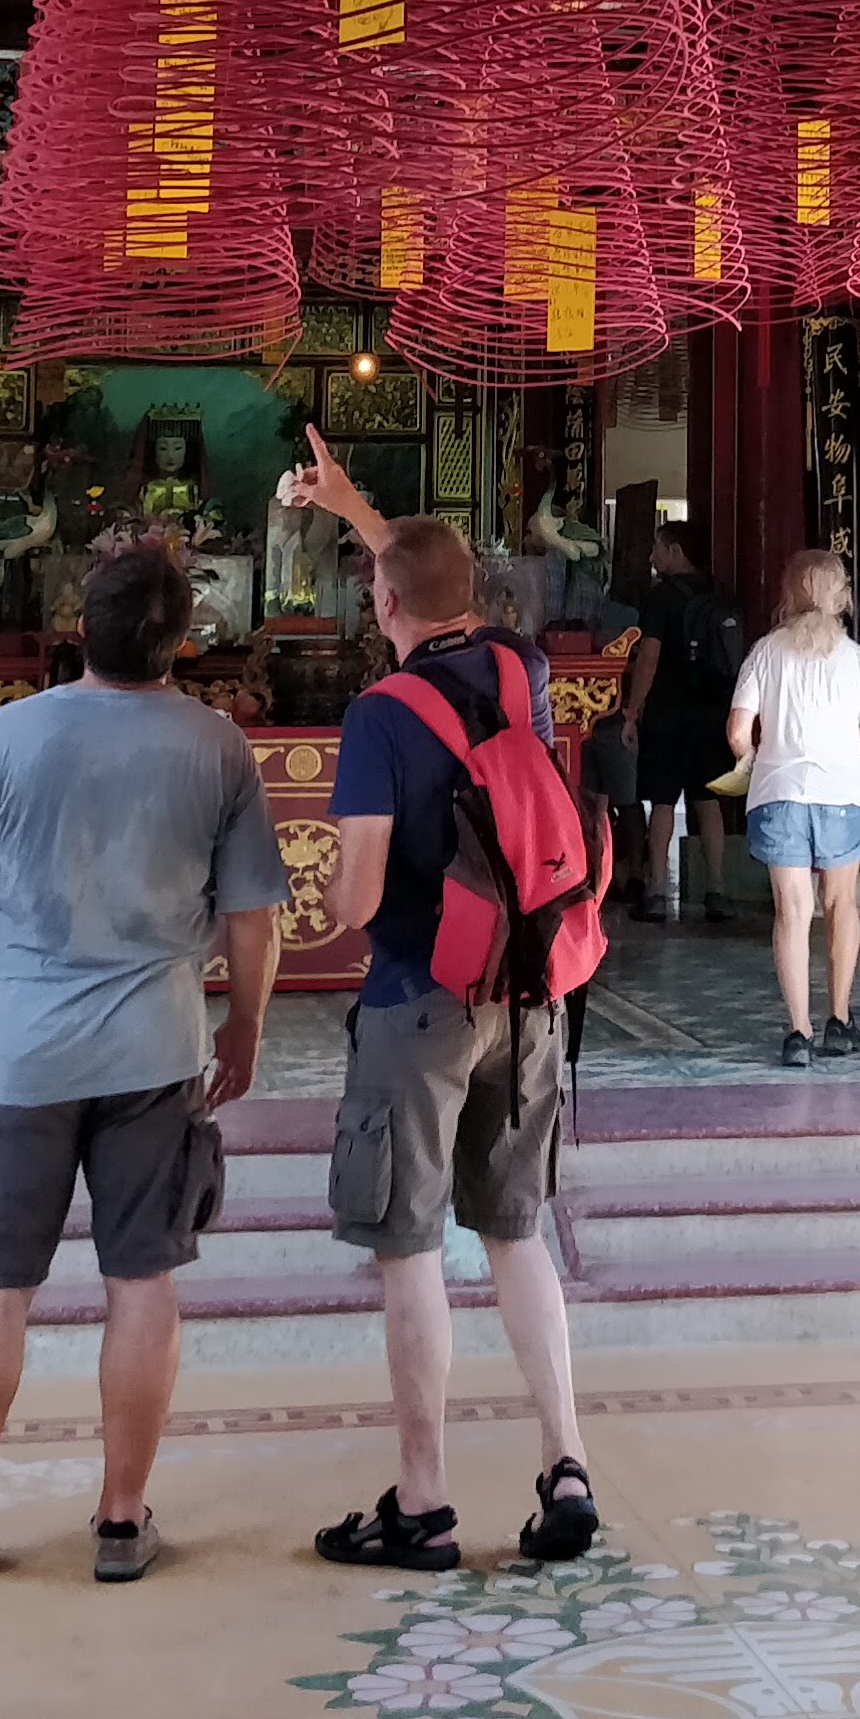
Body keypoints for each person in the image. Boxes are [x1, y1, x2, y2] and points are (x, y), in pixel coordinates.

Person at [0, 540, 284, 1589]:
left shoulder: (5, 738)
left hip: (23, 1061)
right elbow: (252, 919)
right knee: (143, 1280)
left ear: (78, 627)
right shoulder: (217, 746)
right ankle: (120, 1520)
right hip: (159, 1051)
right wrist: (244, 1028)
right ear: (181, 642)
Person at [274, 428, 602, 1573]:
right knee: (516, 1233)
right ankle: (566, 1463)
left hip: (421, 1000)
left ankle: (423, 1502)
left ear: (378, 605)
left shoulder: (378, 717)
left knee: (410, 1246)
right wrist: (364, 513)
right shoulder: (526, 670)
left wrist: (313, 907)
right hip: (534, 991)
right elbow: (424, 573)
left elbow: (359, 896)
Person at [724, 547, 860, 1064]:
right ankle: (839, 1020)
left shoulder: (765, 653)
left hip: (779, 795)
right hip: (842, 797)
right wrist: (840, 766)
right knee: (842, 905)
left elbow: (736, 731)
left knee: (792, 912)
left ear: (788, 594)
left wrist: (755, 758)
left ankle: (798, 1033)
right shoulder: (857, 660)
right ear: (841, 598)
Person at [628, 526, 738, 908]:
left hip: (667, 711)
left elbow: (649, 656)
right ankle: (717, 888)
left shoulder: (661, 597)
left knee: (662, 801)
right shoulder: (717, 590)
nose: (652, 558)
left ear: (675, 551)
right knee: (708, 800)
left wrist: (632, 710)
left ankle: (657, 888)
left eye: (656, 549)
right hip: (711, 710)